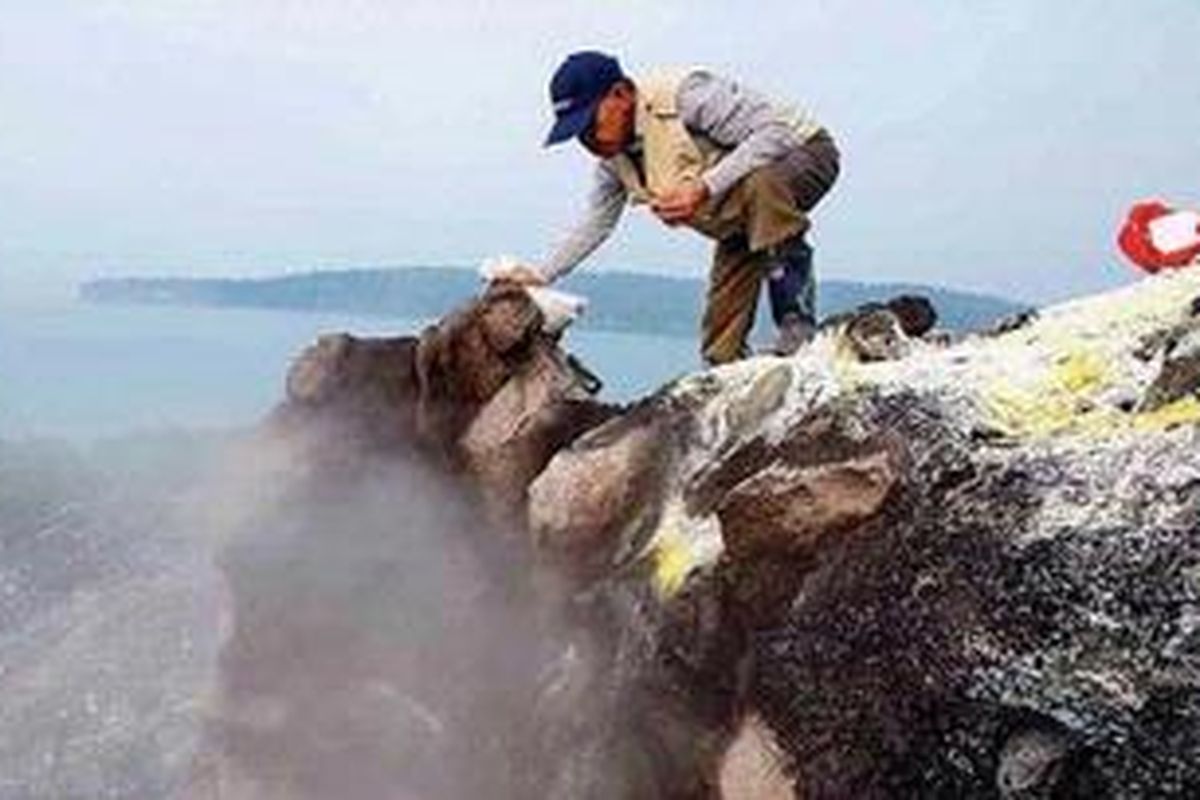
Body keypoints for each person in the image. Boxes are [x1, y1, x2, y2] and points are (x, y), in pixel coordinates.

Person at [505, 50, 840, 363]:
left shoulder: (686, 97)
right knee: (720, 341)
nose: (588, 140)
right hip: (739, 205)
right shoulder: (614, 161)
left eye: (591, 123)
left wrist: (703, 188)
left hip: (803, 154)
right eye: (578, 134)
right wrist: (540, 275)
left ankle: (796, 322)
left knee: (761, 183)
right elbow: (596, 222)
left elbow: (774, 134)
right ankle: (731, 373)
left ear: (620, 94)